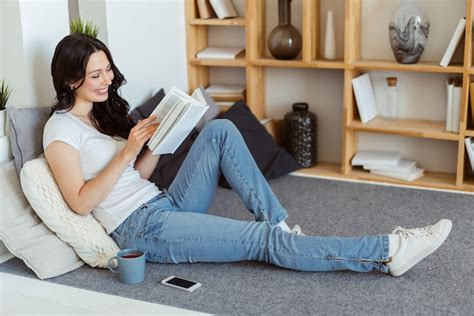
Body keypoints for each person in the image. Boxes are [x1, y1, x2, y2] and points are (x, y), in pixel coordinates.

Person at [44, 33, 452, 277]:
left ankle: (282, 227)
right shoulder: (60, 129)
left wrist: (154, 144)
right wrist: (127, 151)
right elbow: (80, 203)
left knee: (220, 129)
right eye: (96, 74)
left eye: (108, 70)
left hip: (161, 201)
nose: (106, 80)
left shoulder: (101, 117)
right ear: (70, 78)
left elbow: (139, 178)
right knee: (259, 242)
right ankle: (388, 251)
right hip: (139, 229)